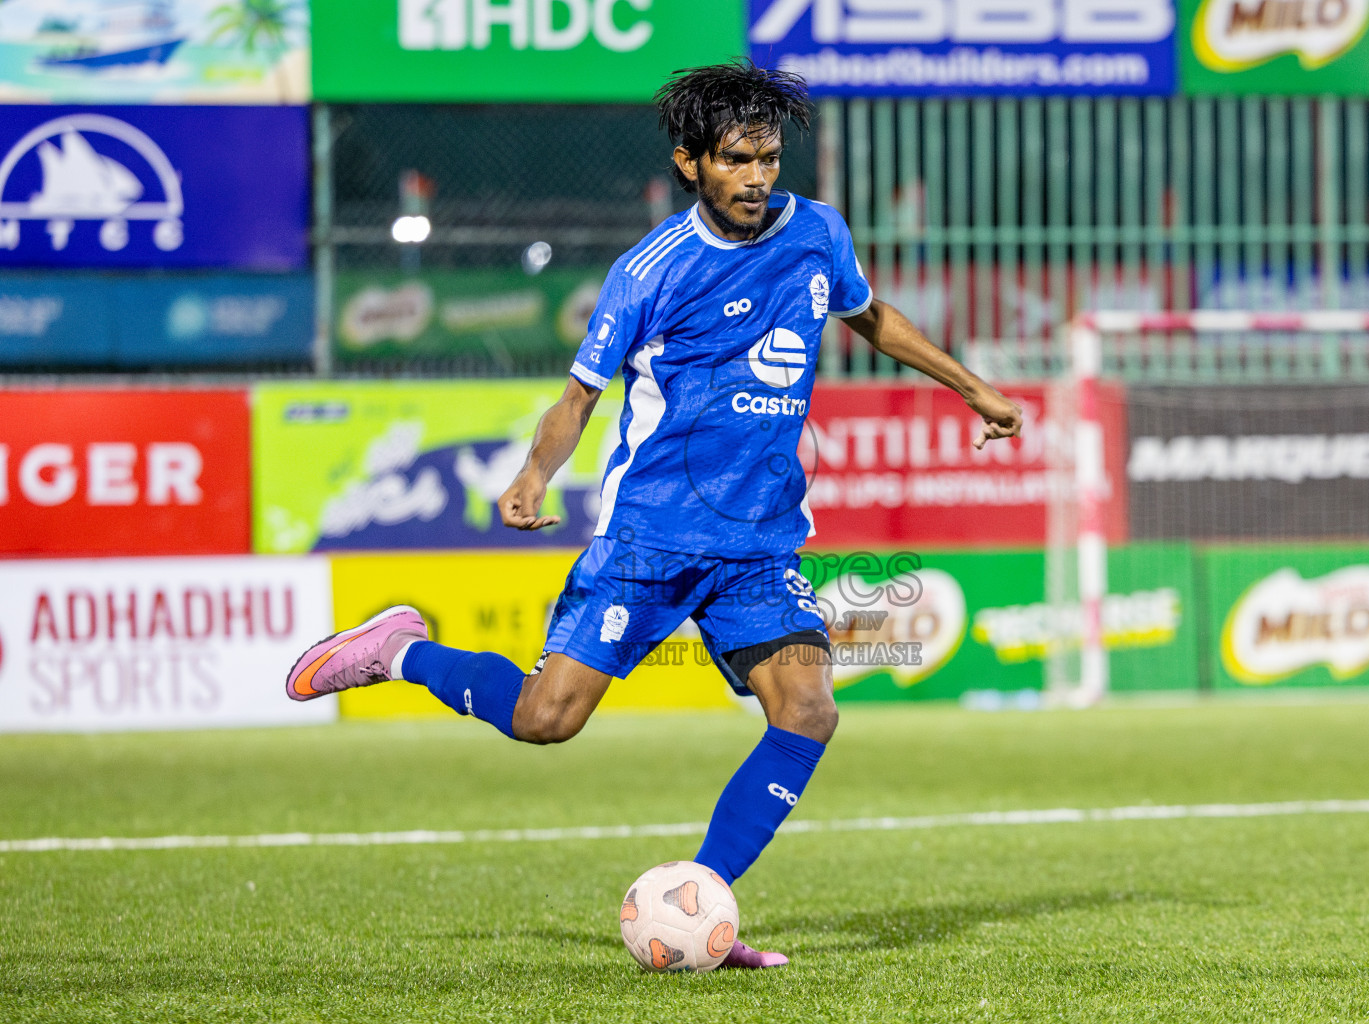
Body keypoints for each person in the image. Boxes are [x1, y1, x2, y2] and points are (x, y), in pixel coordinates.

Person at [286, 60, 1023, 968]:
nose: (757, 177)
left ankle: (703, 908)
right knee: (546, 718)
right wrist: (533, 473)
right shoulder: (651, 272)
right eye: (736, 160)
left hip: (758, 544)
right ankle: (398, 649)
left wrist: (973, 387)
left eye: (768, 157)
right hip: (651, 539)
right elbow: (576, 399)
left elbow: (870, 318)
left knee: (807, 711)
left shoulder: (817, 233)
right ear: (690, 162)